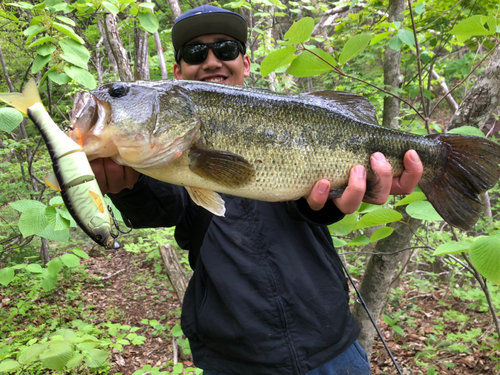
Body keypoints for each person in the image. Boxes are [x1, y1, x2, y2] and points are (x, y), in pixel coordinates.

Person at [91, 6, 423, 374]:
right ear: (178, 72)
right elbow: (160, 208)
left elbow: (312, 203)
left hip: (330, 344)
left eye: (226, 49)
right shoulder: (161, 152)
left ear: (246, 63)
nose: (212, 60)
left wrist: (333, 202)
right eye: (195, 53)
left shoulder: (288, 117)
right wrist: (128, 187)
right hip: (235, 358)